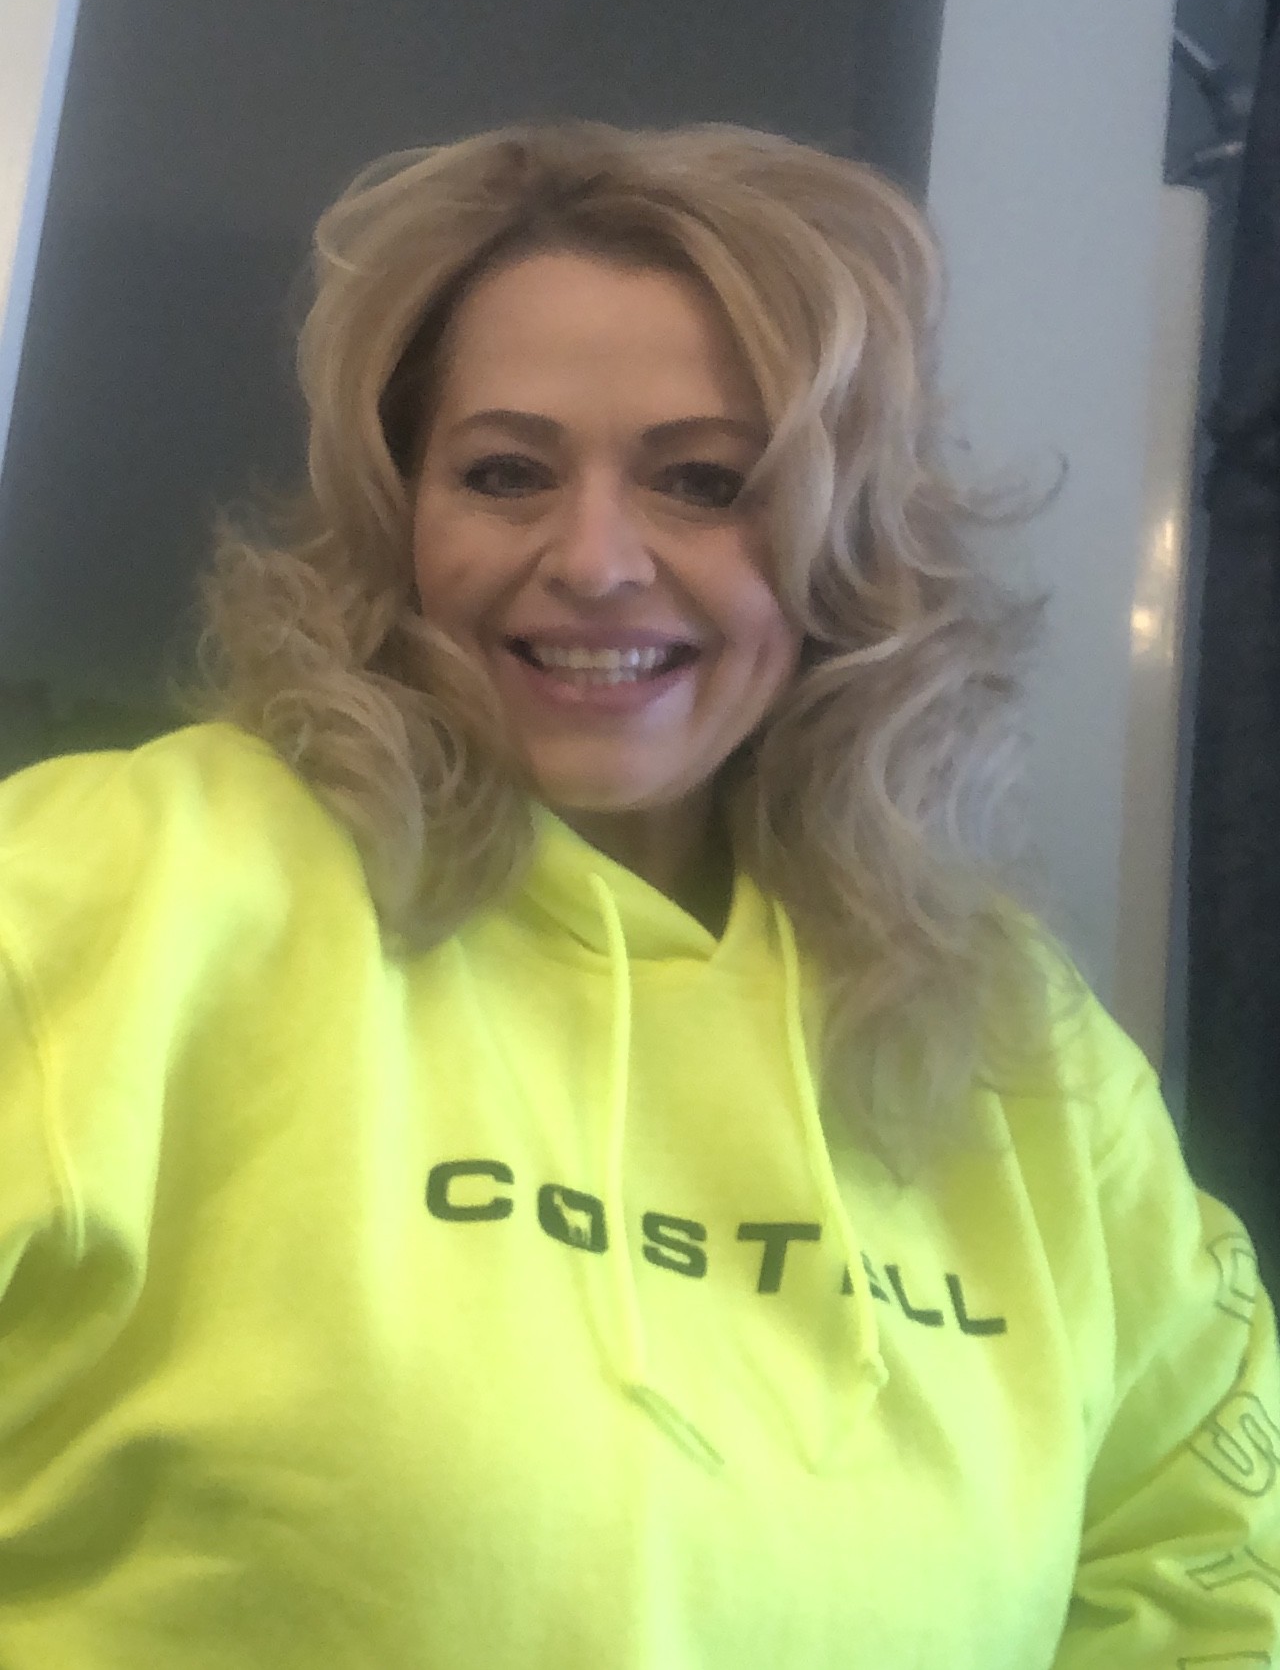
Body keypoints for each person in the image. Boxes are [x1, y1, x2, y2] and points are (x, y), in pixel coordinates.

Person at [0, 118, 1275, 1669]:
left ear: (846, 542)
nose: (595, 560)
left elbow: (1210, 1577)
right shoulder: (114, 886)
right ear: (402, 520)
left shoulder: (1024, 1048)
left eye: (703, 481)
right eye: (506, 473)